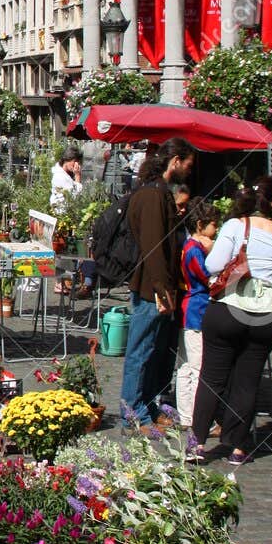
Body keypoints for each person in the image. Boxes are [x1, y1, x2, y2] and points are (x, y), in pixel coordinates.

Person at [191, 177, 272, 466]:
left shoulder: (235, 226)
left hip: (229, 308)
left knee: (212, 378)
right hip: (266, 315)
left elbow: (212, 266)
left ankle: (196, 444)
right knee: (247, 382)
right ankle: (238, 448)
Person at [119, 137, 196, 429]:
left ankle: (147, 407)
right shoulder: (152, 195)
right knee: (141, 351)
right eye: (187, 165)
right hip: (151, 288)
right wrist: (162, 290)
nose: (188, 172)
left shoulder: (157, 192)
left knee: (152, 351)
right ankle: (133, 413)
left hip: (157, 286)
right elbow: (154, 248)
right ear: (175, 161)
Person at [174, 197, 218, 433]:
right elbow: (207, 276)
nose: (216, 230)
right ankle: (195, 416)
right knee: (196, 366)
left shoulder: (190, 247)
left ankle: (186, 415)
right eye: (213, 225)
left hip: (190, 308)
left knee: (186, 366)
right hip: (196, 309)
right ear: (200, 225)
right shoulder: (194, 250)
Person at [50, 145, 83, 214]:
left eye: (78, 162)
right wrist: (77, 176)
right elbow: (75, 196)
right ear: (67, 159)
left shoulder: (65, 173)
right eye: (75, 161)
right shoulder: (60, 176)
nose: (77, 165)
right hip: (63, 214)